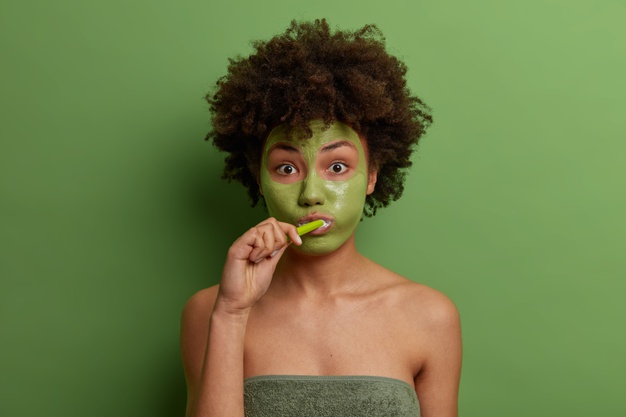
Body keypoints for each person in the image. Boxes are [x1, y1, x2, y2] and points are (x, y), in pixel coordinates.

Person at [181, 19, 462, 417]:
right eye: (286, 168)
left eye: (337, 167)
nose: (311, 194)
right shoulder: (209, 311)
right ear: (258, 178)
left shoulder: (429, 315)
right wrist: (231, 314)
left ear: (373, 174)